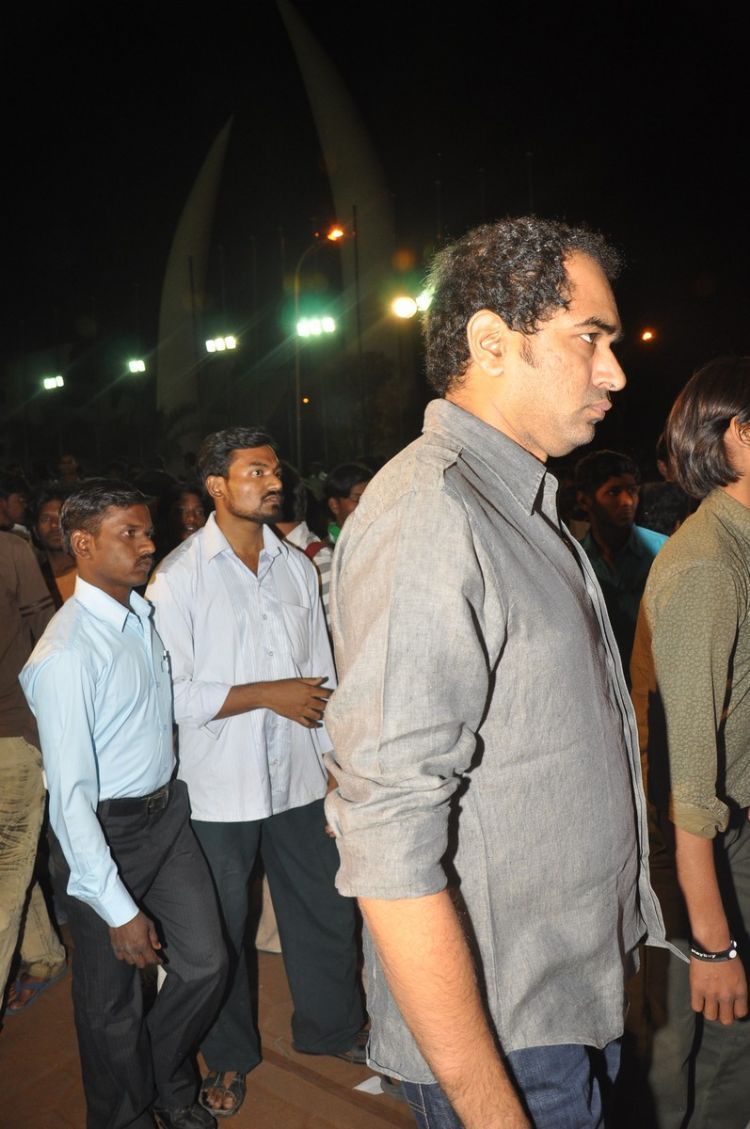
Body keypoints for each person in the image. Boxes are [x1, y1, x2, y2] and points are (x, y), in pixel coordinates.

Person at [324, 216, 674, 1129]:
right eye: (590, 338)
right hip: (508, 1038)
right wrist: (491, 1107)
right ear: (490, 342)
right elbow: (388, 835)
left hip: (565, 996)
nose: (615, 371)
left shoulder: (518, 501)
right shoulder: (432, 514)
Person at [147, 428, 366, 1121]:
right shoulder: (179, 576)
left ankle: (332, 1027)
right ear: (216, 485)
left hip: (299, 773)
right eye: (255, 471)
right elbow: (170, 693)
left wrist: (333, 761)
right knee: (220, 929)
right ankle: (229, 1054)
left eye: (274, 471)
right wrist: (267, 693)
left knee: (325, 905)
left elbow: (322, 675)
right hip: (219, 786)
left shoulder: (294, 566)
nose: (274, 482)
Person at [20, 480, 226, 1129]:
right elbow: (69, 800)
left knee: (205, 962)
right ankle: (126, 1115)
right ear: (83, 544)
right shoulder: (66, 654)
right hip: (105, 831)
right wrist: (116, 906)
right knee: (111, 1005)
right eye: (128, 533)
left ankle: (162, 1079)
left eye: (147, 530)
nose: (147, 544)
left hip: (166, 817)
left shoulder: (138, 615)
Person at [638, 357, 750, 1129]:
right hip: (707, 844)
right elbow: (689, 781)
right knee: (701, 1040)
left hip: (731, 829)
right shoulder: (708, 563)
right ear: (739, 433)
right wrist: (712, 942)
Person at [0, 533, 66, 1020]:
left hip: (12, 735)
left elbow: (50, 643)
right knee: (9, 864)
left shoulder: (10, 551)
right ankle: (44, 952)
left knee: (7, 866)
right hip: (15, 733)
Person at [575, 449, 667, 678]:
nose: (627, 501)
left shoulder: (664, 551)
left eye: (632, 490)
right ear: (584, 500)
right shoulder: (573, 560)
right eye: (613, 492)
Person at [322, 462, 372, 544]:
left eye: (371, 499)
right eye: (358, 499)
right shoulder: (326, 550)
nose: (368, 505)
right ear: (334, 505)